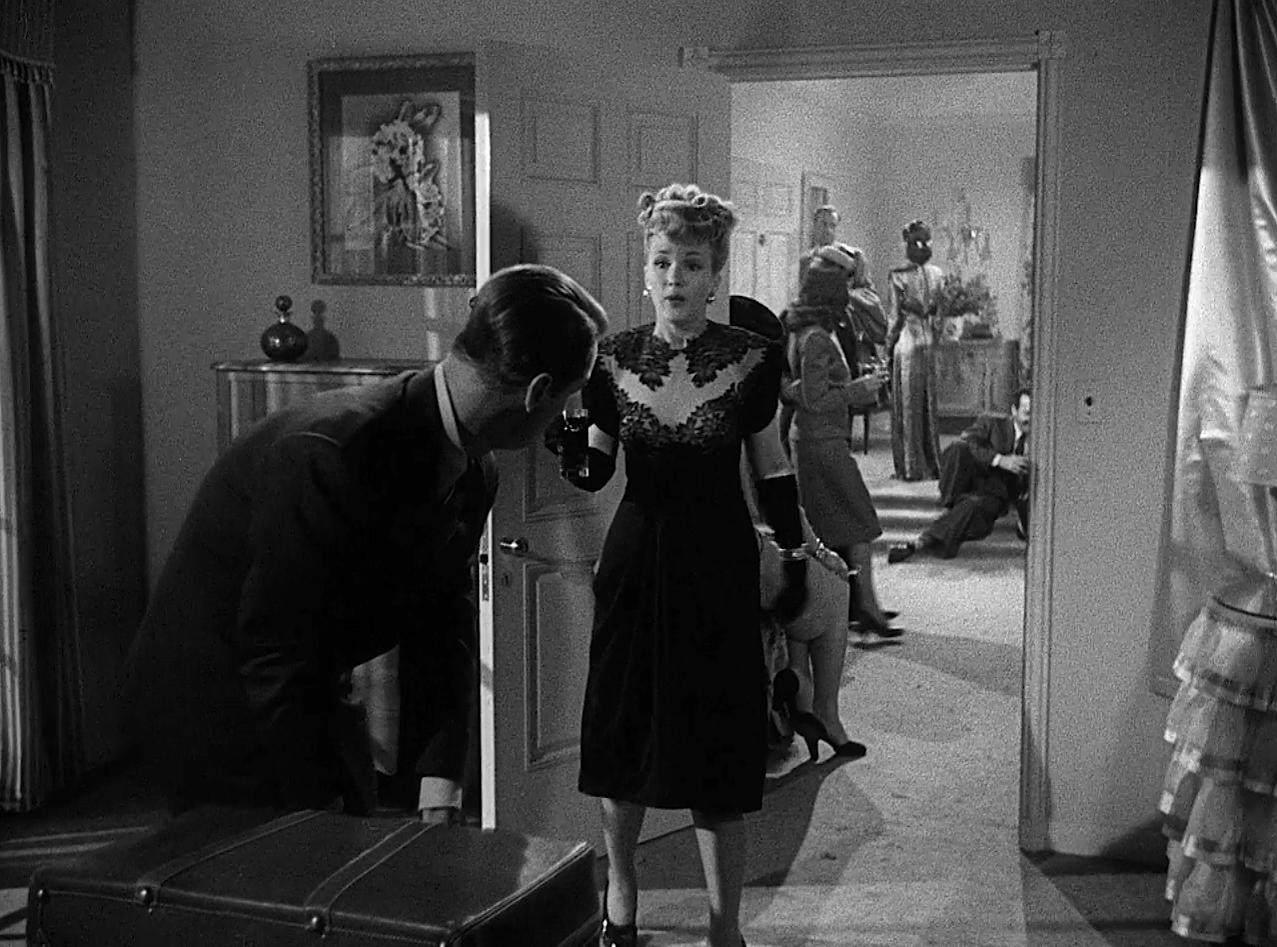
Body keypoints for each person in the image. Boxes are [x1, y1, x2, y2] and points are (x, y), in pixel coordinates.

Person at [120, 264, 608, 824]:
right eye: (566, 399)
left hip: (306, 686)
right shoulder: (333, 454)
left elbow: (442, 623)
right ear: (537, 392)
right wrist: (315, 814)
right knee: (298, 865)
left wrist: (440, 785)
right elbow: (276, 653)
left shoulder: (475, 469)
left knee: (356, 836)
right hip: (213, 704)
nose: (564, 417)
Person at [557, 184, 807, 947]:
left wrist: (795, 556)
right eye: (662, 261)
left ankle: (723, 928)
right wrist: (566, 437)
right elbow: (596, 471)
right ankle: (621, 899)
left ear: (713, 275)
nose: (674, 277)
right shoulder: (611, 359)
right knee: (621, 740)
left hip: (716, 567)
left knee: (716, 749)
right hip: (634, 565)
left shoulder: (751, 360)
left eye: (691, 263)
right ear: (644, 270)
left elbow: (772, 469)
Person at [781, 254, 901, 656]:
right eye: (844, 290)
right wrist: (856, 391)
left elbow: (801, 389)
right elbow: (815, 398)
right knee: (861, 522)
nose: (849, 296)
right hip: (822, 442)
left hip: (816, 440)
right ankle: (866, 608)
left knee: (833, 529)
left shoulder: (803, 330)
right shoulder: (816, 337)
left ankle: (854, 606)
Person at [887, 387, 1032, 563]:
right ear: (1014, 410)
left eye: (1034, 414)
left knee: (973, 506)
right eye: (1026, 412)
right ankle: (950, 500)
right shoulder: (992, 423)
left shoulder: (1039, 440)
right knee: (959, 448)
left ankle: (916, 544)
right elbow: (969, 440)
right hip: (969, 478)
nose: (1030, 419)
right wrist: (999, 460)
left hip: (994, 495)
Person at [886, 219, 945, 481]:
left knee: (908, 405)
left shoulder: (898, 275)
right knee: (927, 403)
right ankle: (932, 463)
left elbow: (894, 318)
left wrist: (887, 346)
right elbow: (940, 317)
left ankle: (910, 467)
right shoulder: (937, 275)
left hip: (907, 343)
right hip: (928, 342)